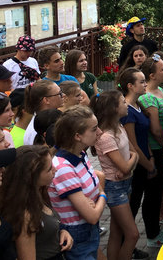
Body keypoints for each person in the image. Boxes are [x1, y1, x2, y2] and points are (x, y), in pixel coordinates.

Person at [48, 105, 106, 260]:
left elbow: (96, 181)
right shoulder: (63, 168)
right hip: (77, 234)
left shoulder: (80, 154)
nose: (99, 132)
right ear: (77, 136)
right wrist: (103, 195)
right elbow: (92, 216)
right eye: (94, 129)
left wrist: (96, 199)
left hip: (88, 231)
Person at [0, 145, 74, 260]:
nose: (55, 170)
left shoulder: (38, 194)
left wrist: (61, 232)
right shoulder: (26, 214)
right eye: (49, 169)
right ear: (32, 176)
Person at [92, 90, 140, 260]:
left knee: (117, 232)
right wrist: (130, 162)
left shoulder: (119, 127)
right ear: (113, 108)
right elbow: (126, 165)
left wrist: (131, 161)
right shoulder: (106, 137)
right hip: (115, 187)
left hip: (125, 183)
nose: (127, 104)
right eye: (123, 102)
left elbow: (133, 154)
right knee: (133, 234)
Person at [118, 68, 160, 257]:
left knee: (141, 201)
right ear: (130, 86)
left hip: (145, 160)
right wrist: (148, 164)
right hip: (136, 166)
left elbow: (145, 137)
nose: (145, 85)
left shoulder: (137, 105)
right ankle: (125, 247)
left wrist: (151, 156)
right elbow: (133, 144)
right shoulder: (126, 110)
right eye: (141, 82)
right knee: (132, 204)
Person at [137, 56, 163, 248]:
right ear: (152, 75)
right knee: (153, 193)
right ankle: (152, 234)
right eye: (162, 69)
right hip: (158, 149)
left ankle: (155, 230)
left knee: (159, 190)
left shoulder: (160, 90)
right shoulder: (147, 97)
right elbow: (156, 129)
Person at [22, 80, 65, 146]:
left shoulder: (54, 118)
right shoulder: (34, 131)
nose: (63, 95)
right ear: (46, 100)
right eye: (59, 94)